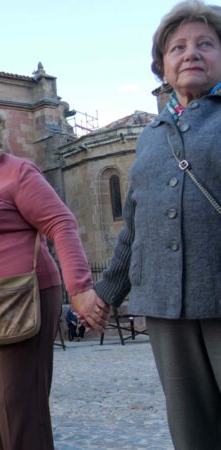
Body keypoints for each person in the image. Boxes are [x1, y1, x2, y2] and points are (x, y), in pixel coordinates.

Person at [73, 2, 221, 449]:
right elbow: (134, 225)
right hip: (164, 305)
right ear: (162, 67)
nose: (190, 53)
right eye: (177, 48)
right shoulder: (151, 136)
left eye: (205, 44)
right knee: (191, 429)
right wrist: (105, 292)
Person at [0, 97, 94, 450]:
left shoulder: (19, 172)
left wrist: (81, 288)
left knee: (18, 406)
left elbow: (61, 223)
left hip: (24, 295)